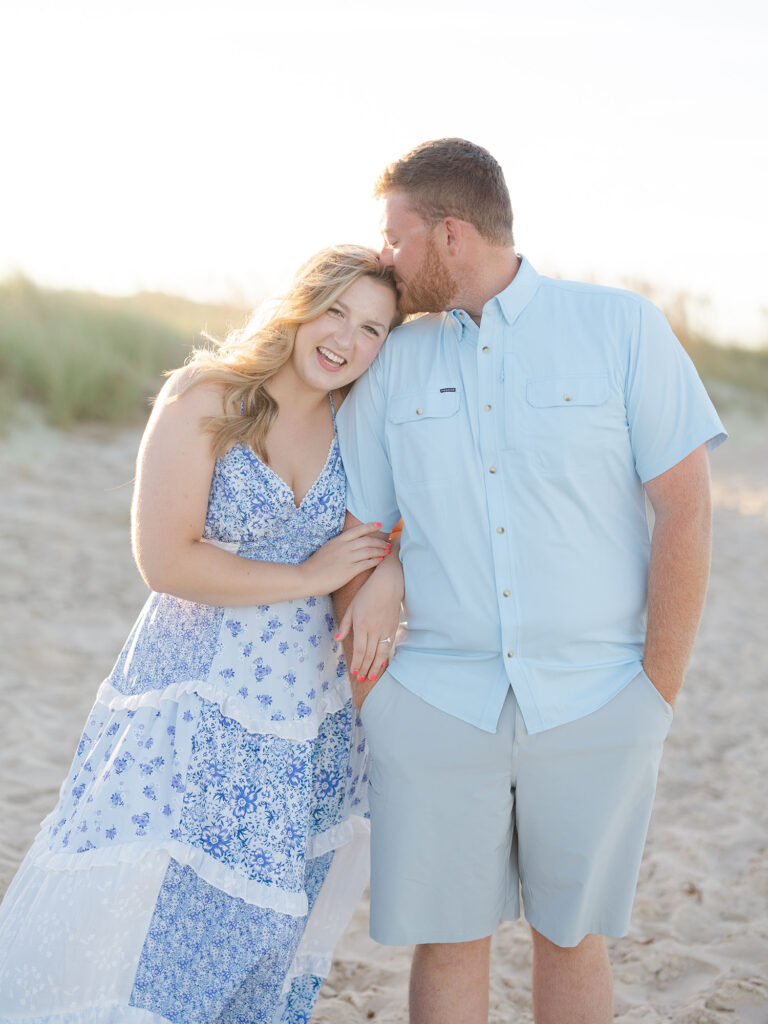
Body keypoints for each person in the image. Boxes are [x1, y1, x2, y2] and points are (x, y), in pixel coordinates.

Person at [333, 139, 727, 1024]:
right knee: (447, 939)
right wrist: (378, 701)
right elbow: (359, 531)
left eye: (394, 240)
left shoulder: (622, 328)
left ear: (449, 235)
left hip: (599, 698)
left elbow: (687, 511)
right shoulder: (392, 362)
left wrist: (655, 692)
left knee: (572, 934)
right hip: (435, 699)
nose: (382, 261)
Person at [0, 245, 404, 1023]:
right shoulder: (206, 397)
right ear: (300, 304)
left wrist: (386, 574)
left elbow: (397, 532)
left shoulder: (361, 426)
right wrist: (305, 578)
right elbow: (165, 560)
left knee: (264, 914)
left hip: (303, 713)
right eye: (336, 312)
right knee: (161, 890)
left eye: (373, 329)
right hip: (193, 696)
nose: (346, 340)